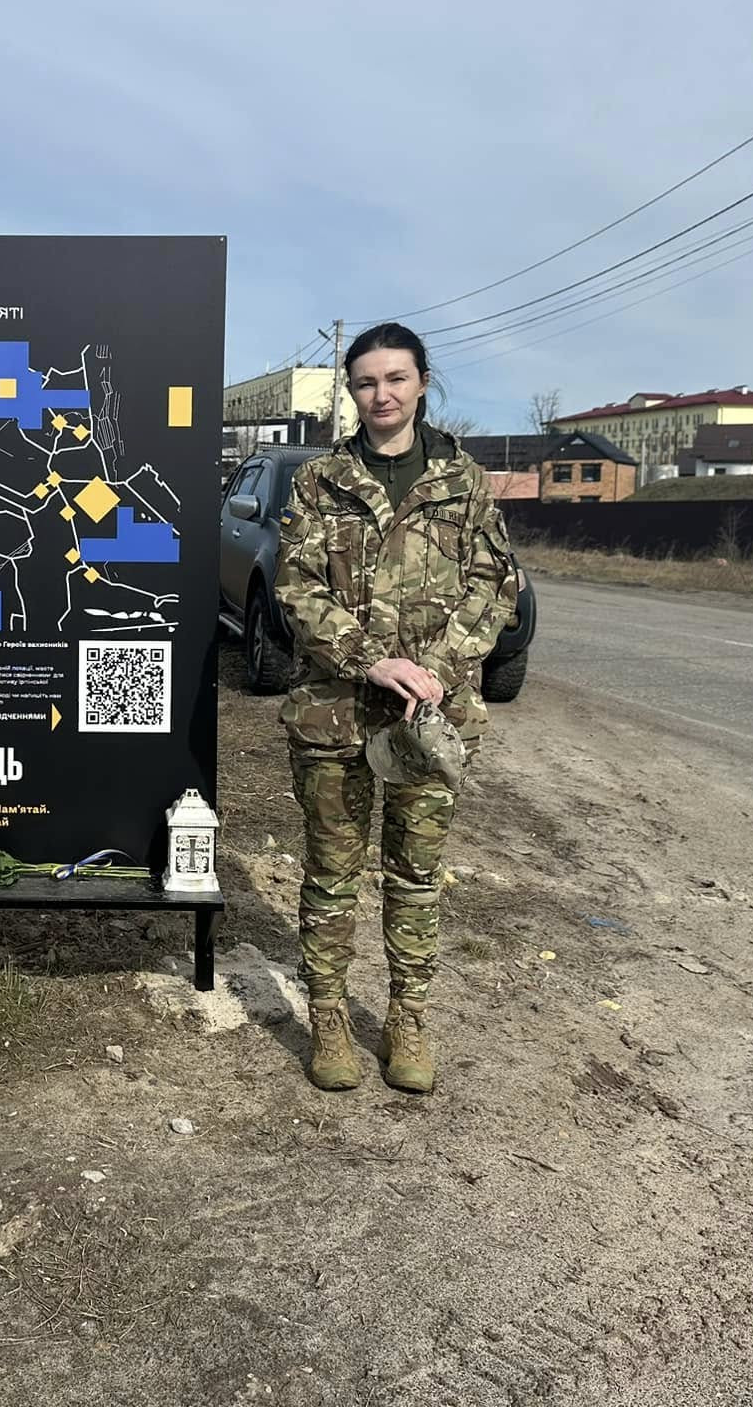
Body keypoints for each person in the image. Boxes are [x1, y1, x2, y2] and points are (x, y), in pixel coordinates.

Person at [274, 322, 517, 1094]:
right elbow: (296, 586)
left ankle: (409, 1018)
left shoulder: (464, 480)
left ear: (421, 382)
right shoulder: (321, 480)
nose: (382, 394)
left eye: (396, 379)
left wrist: (436, 669)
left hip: (428, 718)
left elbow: (496, 583)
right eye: (367, 382)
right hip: (337, 711)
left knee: (415, 876)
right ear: (352, 391)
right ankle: (330, 1018)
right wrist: (372, 660)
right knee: (331, 874)